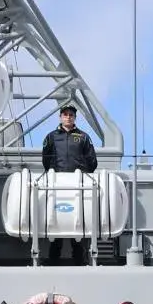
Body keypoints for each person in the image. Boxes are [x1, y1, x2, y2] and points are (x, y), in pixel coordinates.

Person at [41, 103, 99, 263]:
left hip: (77, 187)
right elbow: (46, 160)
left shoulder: (83, 137)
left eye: (71, 115)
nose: (68, 117)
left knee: (78, 225)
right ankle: (53, 263)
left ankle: (80, 263)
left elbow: (92, 162)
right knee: (56, 224)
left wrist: (82, 173)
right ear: (60, 117)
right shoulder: (51, 137)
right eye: (65, 114)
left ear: (75, 118)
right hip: (57, 186)